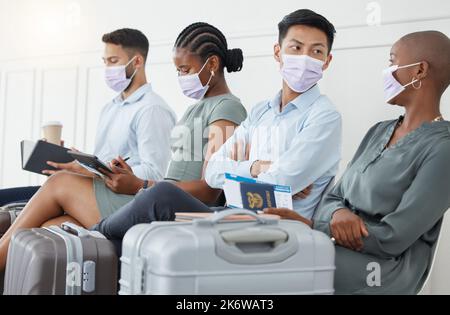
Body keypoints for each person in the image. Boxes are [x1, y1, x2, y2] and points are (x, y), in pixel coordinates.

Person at [0, 22, 248, 270]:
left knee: (59, 183)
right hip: (152, 196)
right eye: (179, 71)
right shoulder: (196, 107)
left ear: (213, 64)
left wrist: (139, 185)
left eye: (185, 69)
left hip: (168, 208)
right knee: (49, 229)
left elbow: (210, 190)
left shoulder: (226, 108)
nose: (182, 77)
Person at [91, 9, 342, 247]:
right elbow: (213, 170)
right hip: (233, 215)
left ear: (327, 61)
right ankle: (92, 245)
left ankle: (92, 238)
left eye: (316, 51)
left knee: (161, 197)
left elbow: (278, 183)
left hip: (273, 228)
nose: (305, 58)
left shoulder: (324, 117)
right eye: (296, 48)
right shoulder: (261, 112)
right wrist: (255, 168)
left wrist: (250, 175)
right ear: (278, 52)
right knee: (137, 236)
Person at [270, 31, 450, 294]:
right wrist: (336, 215)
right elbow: (332, 199)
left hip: (382, 269)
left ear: (419, 71)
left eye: (392, 62)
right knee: (262, 251)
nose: (387, 71)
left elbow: (393, 237)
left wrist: (314, 226)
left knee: (279, 265)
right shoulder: (379, 131)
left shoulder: (443, 148)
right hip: (337, 246)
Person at [0, 28, 176, 205]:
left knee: (19, 205)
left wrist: (93, 171)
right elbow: (103, 160)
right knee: (5, 199)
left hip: (117, 199)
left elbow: (154, 174)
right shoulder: (110, 108)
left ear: (137, 61)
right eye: (105, 62)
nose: (108, 69)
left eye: (113, 61)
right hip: (93, 188)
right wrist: (70, 159)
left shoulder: (152, 109)